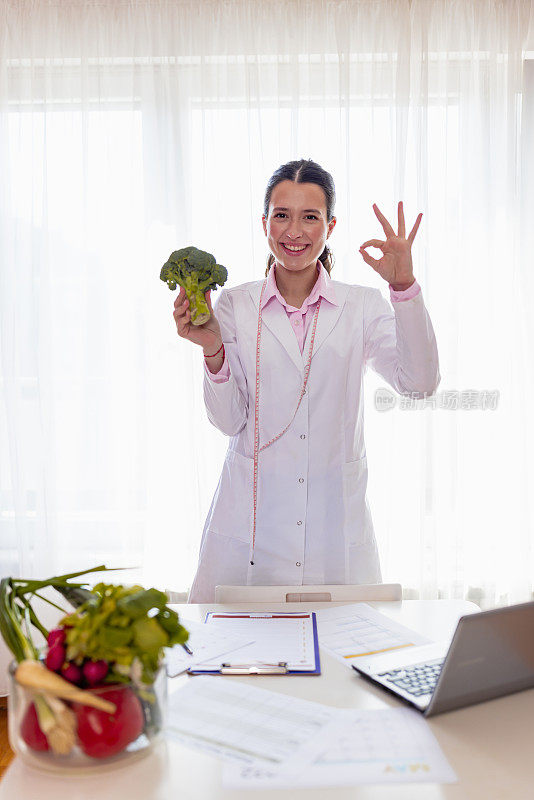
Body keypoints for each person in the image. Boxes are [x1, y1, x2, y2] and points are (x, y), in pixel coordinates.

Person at [174, 159, 440, 603]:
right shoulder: (234, 305)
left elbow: (420, 382)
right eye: (282, 215)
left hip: (332, 537)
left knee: (345, 662)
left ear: (330, 226)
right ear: (264, 223)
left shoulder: (362, 306)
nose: (293, 231)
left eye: (309, 217)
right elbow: (227, 421)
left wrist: (405, 288)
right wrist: (212, 349)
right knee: (237, 666)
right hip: (249, 535)